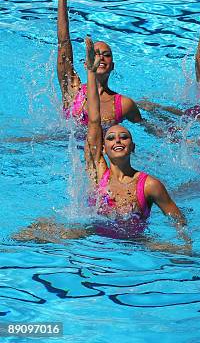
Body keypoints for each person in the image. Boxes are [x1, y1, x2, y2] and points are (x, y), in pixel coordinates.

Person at [14, 37, 190, 250]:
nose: (117, 140)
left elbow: (179, 220)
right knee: (31, 233)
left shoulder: (149, 185)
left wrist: (185, 243)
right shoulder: (99, 174)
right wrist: (91, 71)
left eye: (124, 137)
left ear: (133, 146)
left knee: (181, 254)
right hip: (92, 234)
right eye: (111, 138)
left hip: (137, 244)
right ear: (103, 148)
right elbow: (94, 122)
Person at [57, 0, 141, 128]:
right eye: (96, 53)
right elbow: (63, 44)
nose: (101, 57)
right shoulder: (73, 91)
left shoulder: (123, 104)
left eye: (106, 54)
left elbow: (150, 129)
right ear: (85, 62)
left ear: (112, 66)